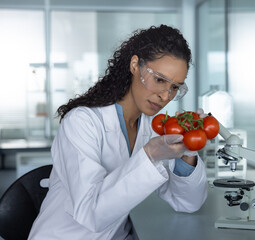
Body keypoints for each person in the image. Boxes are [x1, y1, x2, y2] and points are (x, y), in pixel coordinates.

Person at [28, 25, 208, 240]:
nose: (165, 95)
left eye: (175, 87)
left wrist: (188, 152)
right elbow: (91, 213)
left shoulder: (154, 127)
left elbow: (188, 203)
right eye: (159, 80)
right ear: (134, 65)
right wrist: (149, 156)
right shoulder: (82, 122)